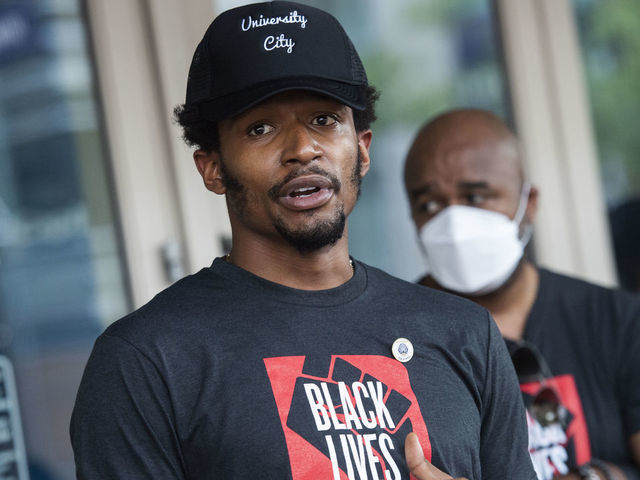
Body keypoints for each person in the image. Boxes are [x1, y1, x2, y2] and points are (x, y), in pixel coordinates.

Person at [70, 3, 536, 479]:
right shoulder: (145, 360)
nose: (301, 149)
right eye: (260, 128)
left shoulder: (465, 333)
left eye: (324, 120)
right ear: (212, 168)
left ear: (362, 149)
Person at [403, 108, 640, 480]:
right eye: (429, 205)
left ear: (528, 203)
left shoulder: (618, 321)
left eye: (476, 195)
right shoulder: (397, 339)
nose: (453, 224)